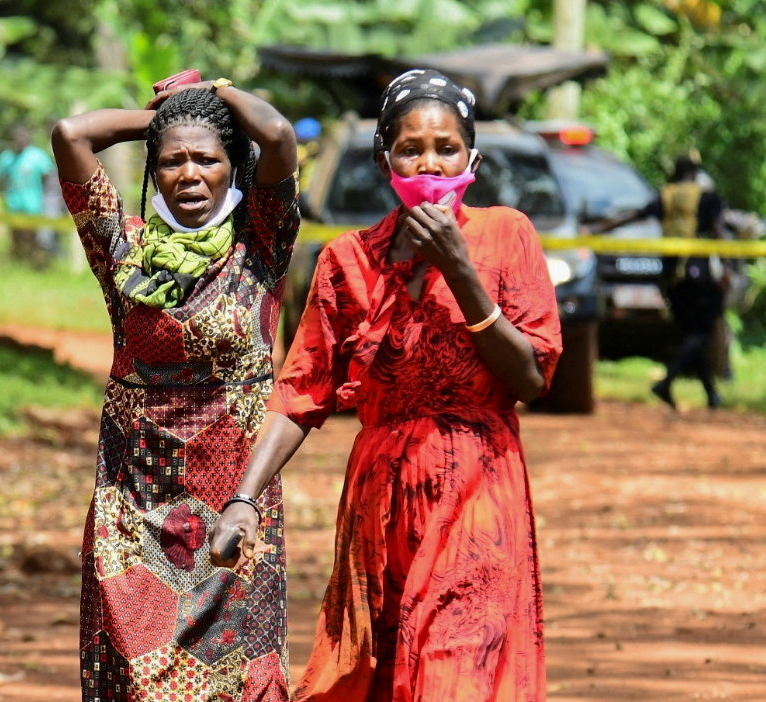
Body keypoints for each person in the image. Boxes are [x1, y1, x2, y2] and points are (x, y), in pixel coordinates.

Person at [209, 69, 562, 701]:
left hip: (479, 491)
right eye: (411, 149)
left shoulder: (508, 236)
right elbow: (301, 392)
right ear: (384, 159)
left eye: (446, 148)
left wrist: (460, 269)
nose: (430, 162)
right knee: (377, 677)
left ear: (472, 158)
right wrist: (243, 499)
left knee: (455, 670)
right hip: (380, 503)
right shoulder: (348, 260)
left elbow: (530, 377)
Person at [52, 76, 299, 701]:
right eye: (172, 161)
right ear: (153, 171)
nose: (190, 174)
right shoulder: (124, 251)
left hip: (236, 500)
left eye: (207, 159)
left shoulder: (260, 242)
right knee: (136, 674)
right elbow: (71, 135)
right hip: (131, 504)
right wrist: (160, 120)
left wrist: (218, 97)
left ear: (232, 165)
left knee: (234, 676)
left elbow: (276, 135)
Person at [594, 154, 727, 409]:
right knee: (701, 333)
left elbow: (633, 215)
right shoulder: (707, 197)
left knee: (690, 333)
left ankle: (711, 395)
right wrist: (729, 267)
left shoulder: (666, 196)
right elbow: (719, 231)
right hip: (700, 272)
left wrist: (597, 230)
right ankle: (667, 381)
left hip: (671, 276)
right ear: (696, 174)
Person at [0, 126, 54, 266]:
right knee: (15, 236)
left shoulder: (37, 156)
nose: (19, 141)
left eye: (21, 138)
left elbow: (47, 175)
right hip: (13, 204)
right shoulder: (7, 157)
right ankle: (17, 263)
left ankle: (31, 263)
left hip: (32, 205)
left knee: (31, 236)